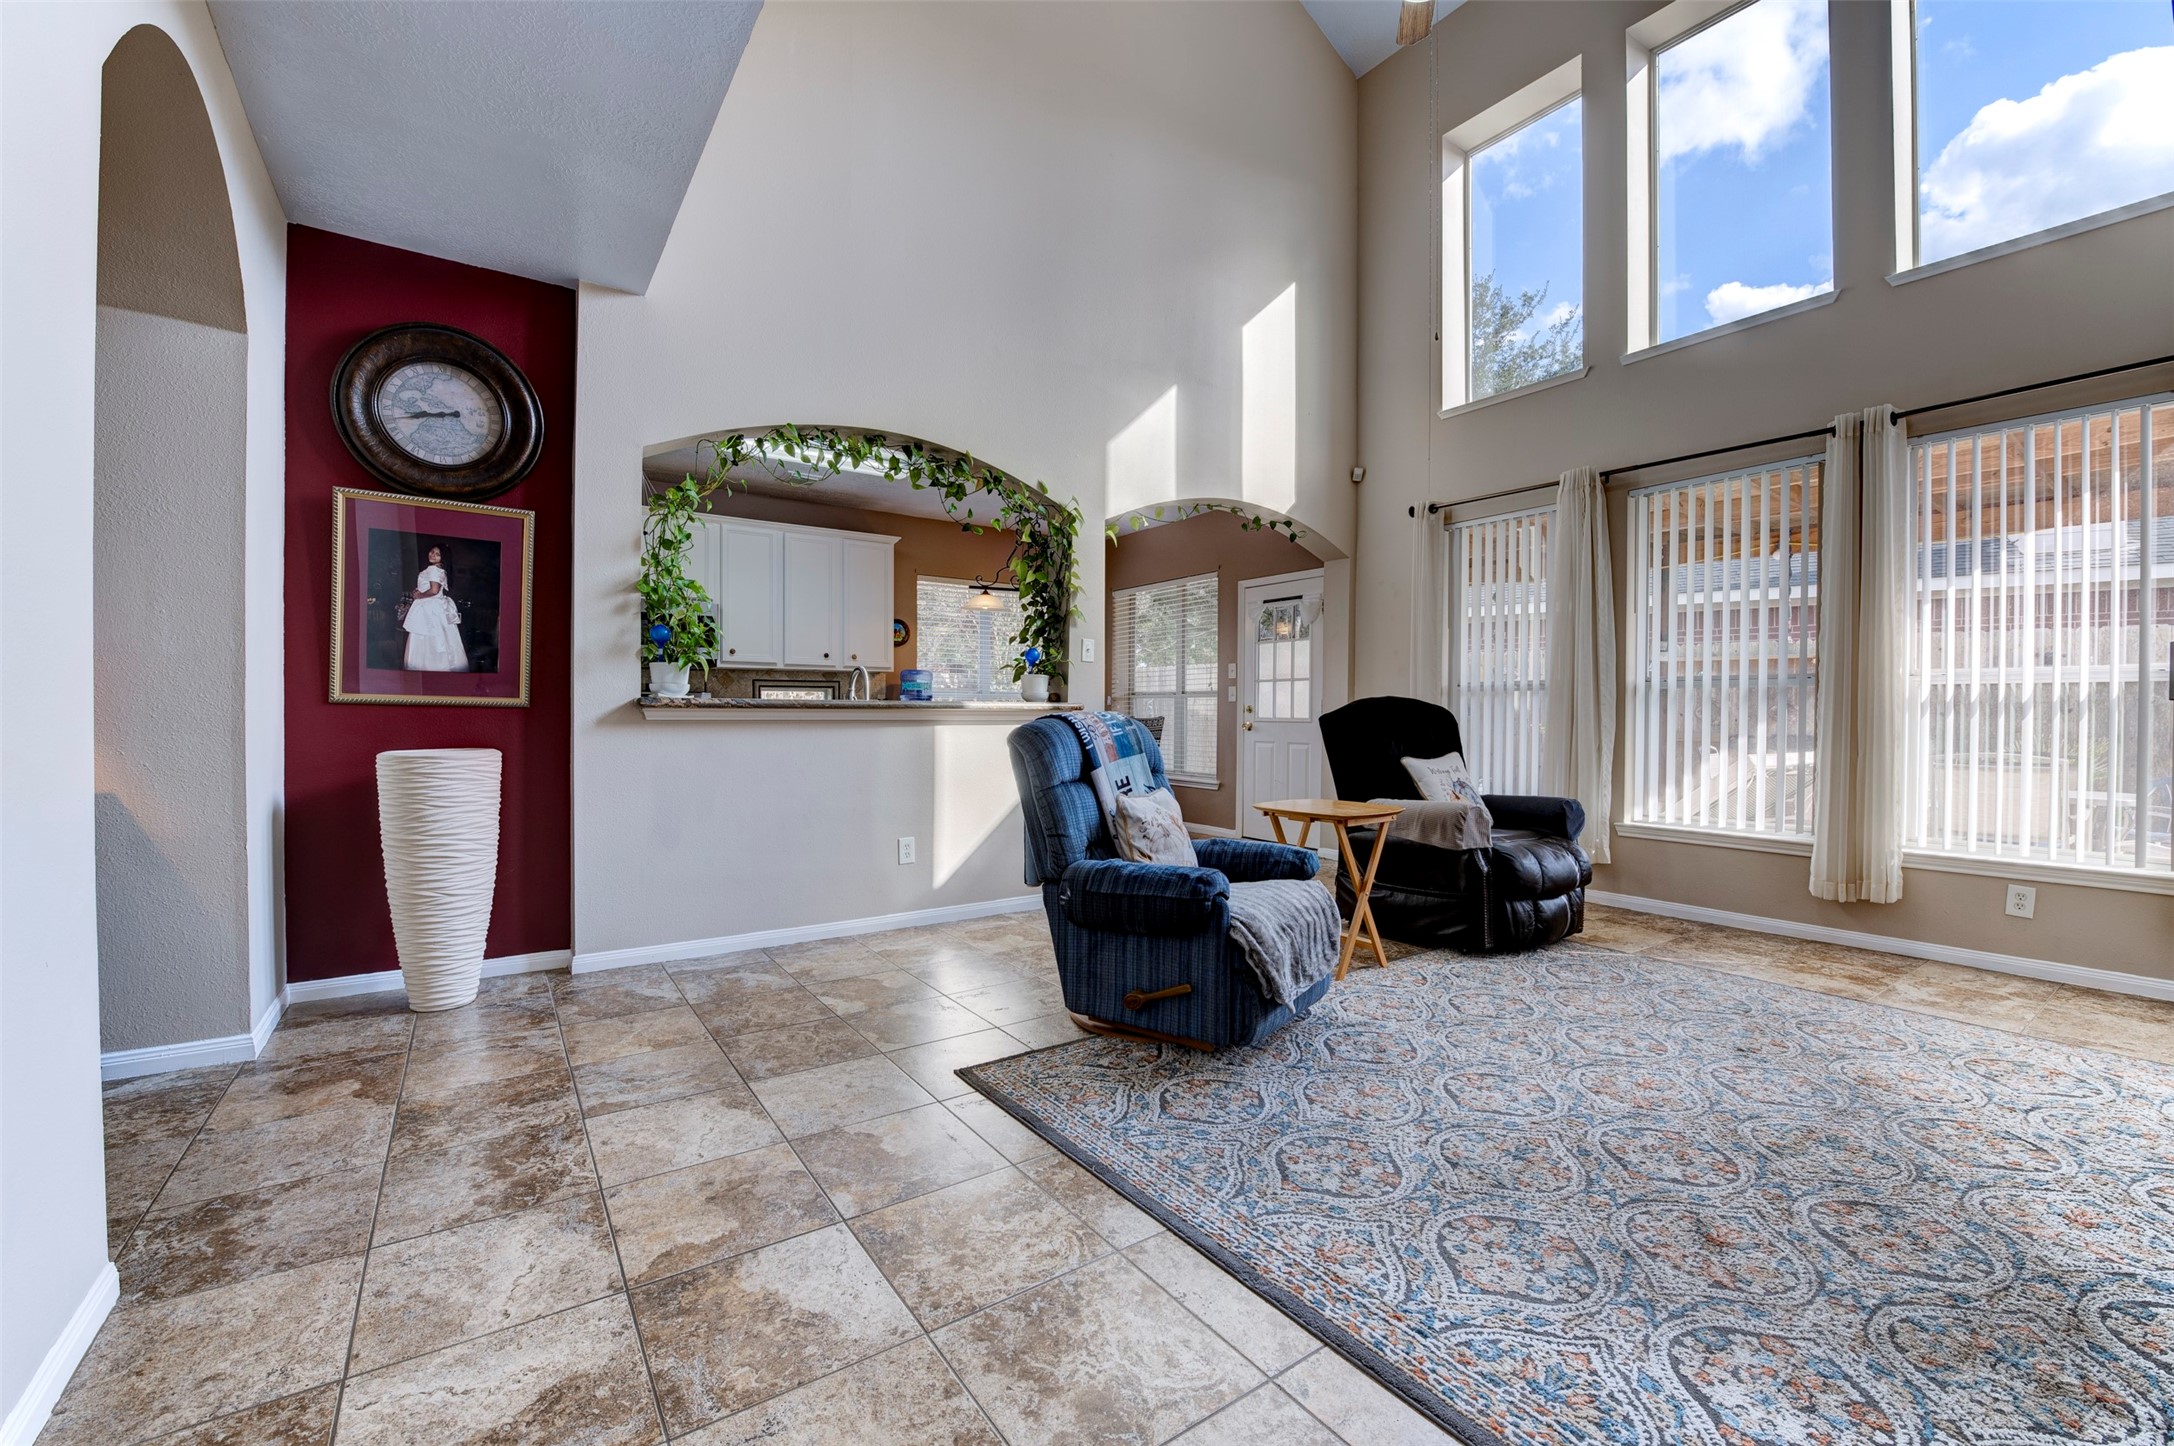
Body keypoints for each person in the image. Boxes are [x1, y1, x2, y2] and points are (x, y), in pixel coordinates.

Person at [403, 545, 469, 671]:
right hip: (435, 606)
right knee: (441, 636)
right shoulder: (440, 569)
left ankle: (429, 666)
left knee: (427, 636)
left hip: (429, 607)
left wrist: (420, 595)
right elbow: (433, 588)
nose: (433, 555)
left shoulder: (434, 569)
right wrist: (419, 591)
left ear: (443, 557)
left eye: (437, 554)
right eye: (432, 551)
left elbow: (434, 590)